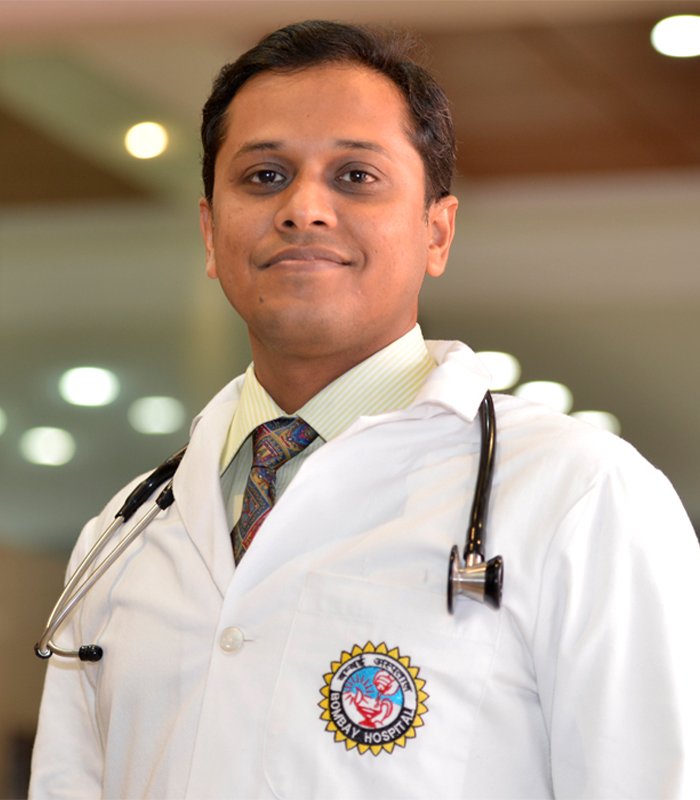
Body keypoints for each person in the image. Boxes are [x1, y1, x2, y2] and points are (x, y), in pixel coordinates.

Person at [30, 19, 700, 800]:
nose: (304, 209)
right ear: (211, 234)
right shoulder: (124, 535)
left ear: (436, 232)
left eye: (356, 176)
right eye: (264, 176)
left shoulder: (580, 494)